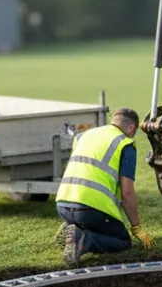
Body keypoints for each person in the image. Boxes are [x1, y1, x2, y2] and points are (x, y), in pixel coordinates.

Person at [55, 107, 154, 265]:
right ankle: (84, 239)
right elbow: (127, 193)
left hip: (62, 204)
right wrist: (137, 228)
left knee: (90, 219)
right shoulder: (125, 144)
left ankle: (72, 226)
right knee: (122, 241)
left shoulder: (84, 135)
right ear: (132, 127)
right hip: (89, 208)